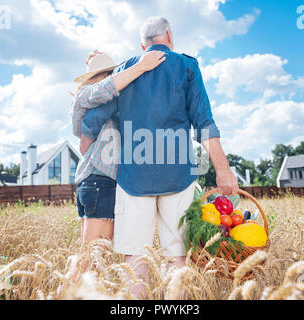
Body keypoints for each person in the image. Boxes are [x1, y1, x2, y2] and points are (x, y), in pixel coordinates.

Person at [80, 16, 239, 298]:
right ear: (169, 36)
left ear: (143, 45)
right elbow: (204, 122)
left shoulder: (125, 70)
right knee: (177, 258)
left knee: (135, 261)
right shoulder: (188, 66)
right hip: (178, 176)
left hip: (133, 180)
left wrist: (86, 145)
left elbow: (91, 120)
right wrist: (223, 170)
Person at [71, 49, 166, 246]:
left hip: (94, 183)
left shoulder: (106, 108)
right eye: (110, 74)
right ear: (104, 76)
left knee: (89, 258)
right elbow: (105, 89)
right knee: (92, 258)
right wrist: (141, 66)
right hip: (100, 181)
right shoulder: (85, 94)